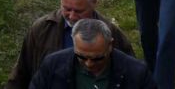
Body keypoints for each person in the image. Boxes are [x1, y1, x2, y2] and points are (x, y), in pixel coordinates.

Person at [5, 0, 135, 89]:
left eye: (79, 11)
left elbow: (131, 74)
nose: (72, 16)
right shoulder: (41, 30)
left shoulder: (110, 33)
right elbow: (21, 74)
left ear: (94, 2)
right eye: (66, 9)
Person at [25, 18, 155, 89]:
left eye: (97, 58)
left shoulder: (136, 74)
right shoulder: (53, 66)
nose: (89, 64)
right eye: (81, 56)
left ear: (110, 45)